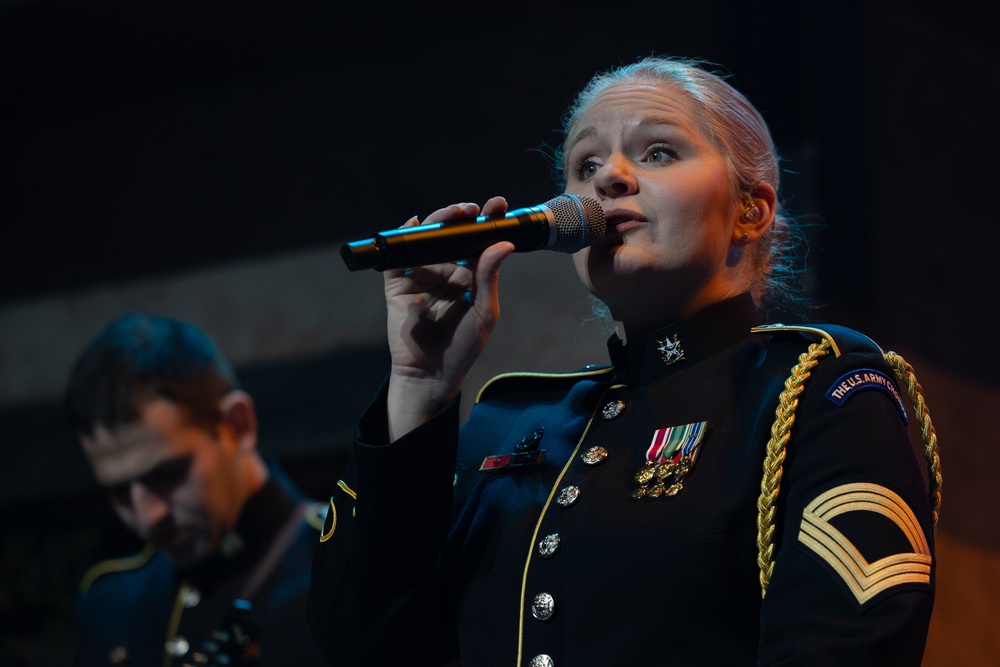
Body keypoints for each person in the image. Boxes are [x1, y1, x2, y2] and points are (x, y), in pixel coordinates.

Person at [307, 55, 941, 665]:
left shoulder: (817, 389)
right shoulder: (511, 421)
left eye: (657, 151)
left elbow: (842, 648)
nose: (607, 177)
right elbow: (368, 642)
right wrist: (419, 386)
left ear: (751, 211)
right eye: (583, 164)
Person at [65, 313, 331, 667]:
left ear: (238, 426)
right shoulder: (109, 606)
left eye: (167, 474)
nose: (148, 516)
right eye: (119, 492)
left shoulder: (344, 566)